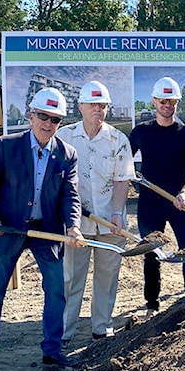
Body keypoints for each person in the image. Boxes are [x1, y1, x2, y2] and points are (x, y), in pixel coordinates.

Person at [0, 87, 82, 371]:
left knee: (57, 289)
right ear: (31, 115)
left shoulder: (66, 154)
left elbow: (71, 195)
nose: (48, 124)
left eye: (55, 119)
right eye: (43, 116)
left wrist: (74, 227)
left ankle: (52, 351)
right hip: (8, 229)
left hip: (47, 231)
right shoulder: (7, 147)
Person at [57, 81, 135, 344]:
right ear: (80, 106)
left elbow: (122, 179)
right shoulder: (65, 137)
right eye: (92, 105)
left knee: (107, 277)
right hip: (75, 225)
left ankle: (101, 327)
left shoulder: (117, 140)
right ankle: (65, 331)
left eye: (102, 105)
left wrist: (116, 212)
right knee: (71, 278)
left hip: (110, 224)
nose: (98, 110)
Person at [128, 76, 185, 314]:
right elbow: (122, 161)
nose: (167, 105)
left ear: (177, 103)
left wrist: (184, 192)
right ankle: (152, 303)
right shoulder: (141, 133)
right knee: (151, 253)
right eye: (163, 100)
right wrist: (131, 176)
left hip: (179, 203)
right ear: (154, 101)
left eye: (172, 101)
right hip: (150, 204)